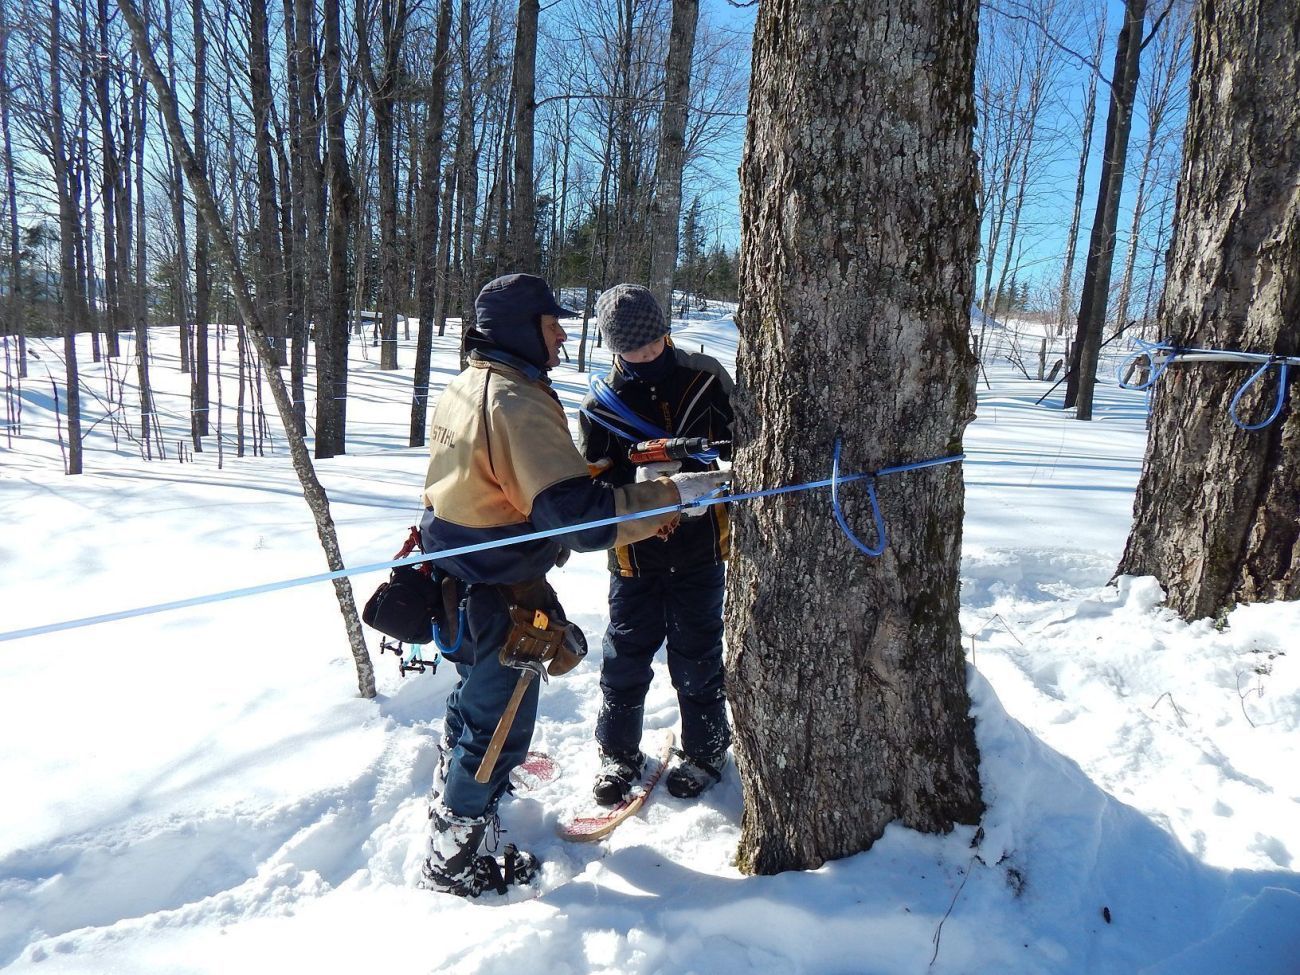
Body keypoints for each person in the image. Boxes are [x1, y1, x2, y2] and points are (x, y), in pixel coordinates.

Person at [418, 273, 726, 898]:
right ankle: (455, 860)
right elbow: (577, 516)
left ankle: (462, 817)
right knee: (496, 725)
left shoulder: (471, 383)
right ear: (520, 329)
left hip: (470, 575)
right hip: (500, 585)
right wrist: (669, 493)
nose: (562, 335)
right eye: (551, 324)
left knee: (475, 710)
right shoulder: (513, 400)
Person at [578, 284, 735, 806]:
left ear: (666, 331)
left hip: (702, 546)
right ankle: (617, 755)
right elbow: (593, 480)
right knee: (624, 658)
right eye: (632, 349)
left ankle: (706, 752)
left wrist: (706, 476)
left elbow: (748, 441)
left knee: (697, 656)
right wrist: (638, 480)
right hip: (634, 555)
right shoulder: (599, 405)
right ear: (614, 348)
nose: (645, 354)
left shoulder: (704, 377)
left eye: (652, 342)